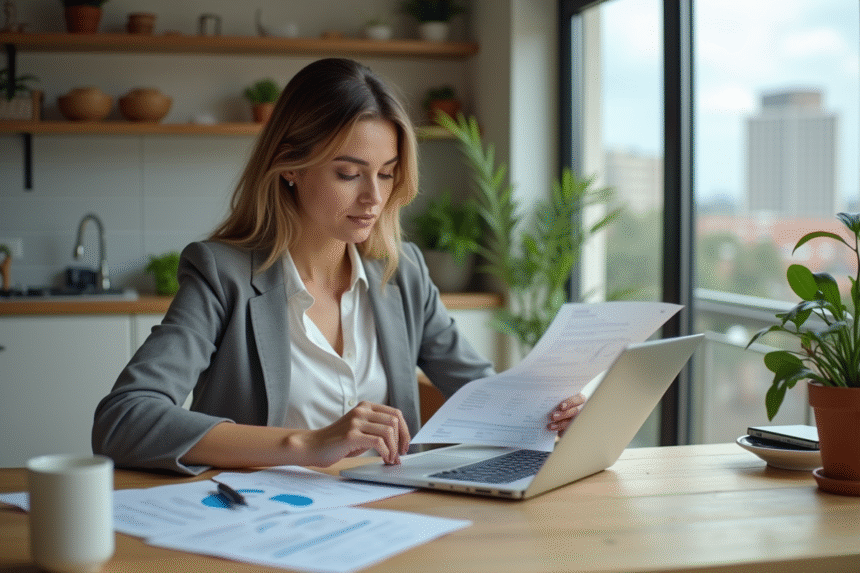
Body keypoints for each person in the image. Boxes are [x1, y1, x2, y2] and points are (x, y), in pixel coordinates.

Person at [92, 58, 584, 475]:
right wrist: (304, 444)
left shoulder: (402, 272)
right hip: (256, 527)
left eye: (387, 174)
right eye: (348, 173)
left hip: (391, 522)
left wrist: (544, 413)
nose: (374, 197)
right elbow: (124, 418)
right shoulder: (222, 275)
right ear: (290, 165)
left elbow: (480, 389)